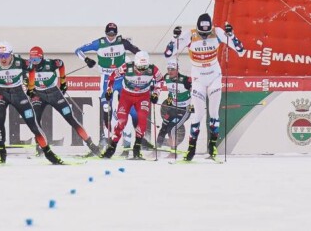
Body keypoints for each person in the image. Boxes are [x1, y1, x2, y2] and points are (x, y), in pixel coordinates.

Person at [163, 13, 245, 161]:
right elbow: (168, 54)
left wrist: (231, 36)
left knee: (214, 113)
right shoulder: (191, 35)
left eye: (207, 33)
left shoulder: (217, 32)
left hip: (214, 76)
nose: (205, 36)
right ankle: (191, 151)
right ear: (197, 29)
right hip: (198, 79)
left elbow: (240, 51)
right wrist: (174, 38)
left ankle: (212, 148)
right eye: (202, 33)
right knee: (198, 115)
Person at [0, 42, 64, 165]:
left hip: (18, 93)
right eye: (0, 56)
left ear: (11, 54)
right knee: (0, 118)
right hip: (0, 92)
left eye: (6, 55)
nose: (3, 59)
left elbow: (32, 69)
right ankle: (1, 152)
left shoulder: (19, 61)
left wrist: (30, 87)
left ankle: (48, 152)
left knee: (32, 123)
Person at [75, 22, 141, 151]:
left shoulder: (123, 42)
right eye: (109, 34)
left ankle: (134, 140)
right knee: (106, 106)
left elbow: (138, 52)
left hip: (121, 78)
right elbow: (78, 50)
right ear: (105, 33)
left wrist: (139, 62)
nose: (111, 37)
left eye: (113, 34)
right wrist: (87, 60)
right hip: (106, 78)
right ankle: (105, 137)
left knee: (129, 106)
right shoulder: (99, 43)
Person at [27, 46, 100, 157]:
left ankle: (92, 146)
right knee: (36, 120)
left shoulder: (50, 64)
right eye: (32, 60)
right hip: (39, 95)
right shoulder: (28, 66)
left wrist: (63, 82)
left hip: (55, 94)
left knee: (71, 118)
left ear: (41, 58)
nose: (34, 63)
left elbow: (61, 64)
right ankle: (40, 148)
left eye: (36, 60)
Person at [99, 51, 163, 160]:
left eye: (144, 67)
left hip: (143, 97)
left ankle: (137, 149)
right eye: (139, 67)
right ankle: (112, 148)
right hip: (126, 96)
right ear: (135, 63)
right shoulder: (126, 67)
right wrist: (109, 90)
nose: (142, 70)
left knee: (142, 120)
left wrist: (156, 93)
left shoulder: (153, 69)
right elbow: (112, 76)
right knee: (121, 121)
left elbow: (160, 80)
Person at [155, 58, 192, 150]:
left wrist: (193, 106)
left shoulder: (185, 80)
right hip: (173, 107)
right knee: (164, 127)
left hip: (184, 109)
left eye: (172, 69)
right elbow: (170, 93)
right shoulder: (167, 77)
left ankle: (173, 152)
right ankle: (157, 149)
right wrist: (168, 102)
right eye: (169, 69)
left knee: (171, 128)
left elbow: (195, 92)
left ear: (177, 69)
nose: (170, 71)